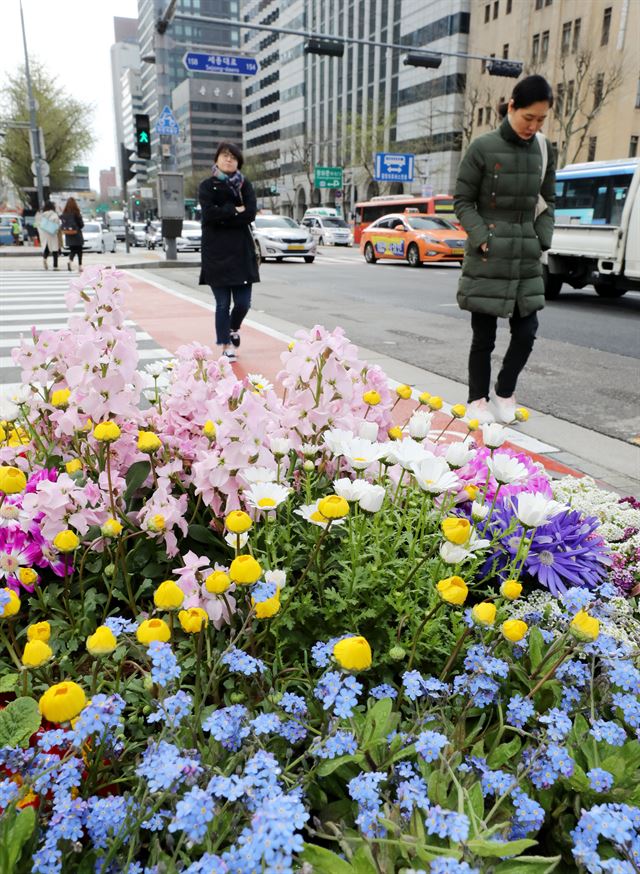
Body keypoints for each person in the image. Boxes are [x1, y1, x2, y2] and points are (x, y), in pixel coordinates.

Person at [454, 75, 556, 424]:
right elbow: (463, 200)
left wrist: (542, 237)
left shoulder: (544, 149)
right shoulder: (482, 148)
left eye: (541, 119)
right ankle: (477, 399)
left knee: (526, 333)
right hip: (488, 252)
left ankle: (505, 390)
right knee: (484, 336)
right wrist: (482, 236)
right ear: (512, 106)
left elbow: (548, 200)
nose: (534, 126)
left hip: (525, 253)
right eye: (529, 117)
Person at [198, 141, 259, 362]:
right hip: (216, 254)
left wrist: (225, 214)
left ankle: (234, 327)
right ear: (216, 159)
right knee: (222, 303)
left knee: (244, 303)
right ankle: (225, 345)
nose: (228, 159)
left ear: (238, 162)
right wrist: (235, 210)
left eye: (233, 157)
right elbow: (209, 214)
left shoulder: (245, 186)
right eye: (224, 155)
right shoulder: (206, 186)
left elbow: (250, 213)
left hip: (242, 253)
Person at [60, 197, 84, 271]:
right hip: (77, 234)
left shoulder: (64, 213)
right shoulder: (76, 213)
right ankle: (80, 266)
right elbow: (81, 224)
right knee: (79, 250)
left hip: (68, 234)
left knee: (73, 250)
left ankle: (70, 261)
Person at [37, 200, 61, 270]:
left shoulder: (42, 215)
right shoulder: (54, 214)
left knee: (46, 248)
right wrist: (56, 230)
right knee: (55, 249)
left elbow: (38, 224)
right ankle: (55, 266)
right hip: (52, 233)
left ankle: (44, 259)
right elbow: (57, 223)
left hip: (44, 234)